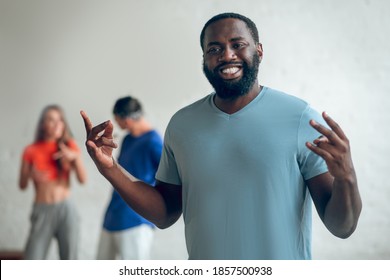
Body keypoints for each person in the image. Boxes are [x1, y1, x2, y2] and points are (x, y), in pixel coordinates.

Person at [80, 13, 362, 259]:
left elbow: (342, 227)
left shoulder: (299, 117)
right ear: (204, 58)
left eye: (237, 45)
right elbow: (165, 213)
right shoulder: (182, 125)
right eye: (214, 48)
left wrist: (347, 177)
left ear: (259, 51)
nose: (227, 55)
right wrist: (110, 168)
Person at [96, 96, 163, 260]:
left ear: (126, 119)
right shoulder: (127, 140)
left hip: (137, 222)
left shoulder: (154, 142)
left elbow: (170, 180)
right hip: (112, 217)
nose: (116, 123)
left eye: (117, 119)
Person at [19, 105, 86, 259]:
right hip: (42, 210)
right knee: (32, 259)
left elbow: (82, 180)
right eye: (51, 120)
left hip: (66, 210)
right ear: (43, 125)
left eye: (60, 120)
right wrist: (30, 174)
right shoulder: (30, 150)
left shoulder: (70, 147)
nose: (56, 124)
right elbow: (22, 185)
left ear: (64, 124)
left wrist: (75, 158)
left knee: (70, 259)